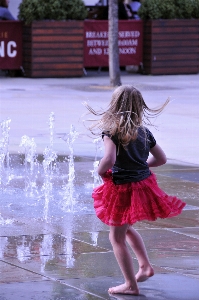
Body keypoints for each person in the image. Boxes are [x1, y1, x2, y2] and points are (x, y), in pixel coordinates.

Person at [85, 85, 186, 295]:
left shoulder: (112, 131)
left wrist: (100, 171)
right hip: (142, 185)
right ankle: (145, 267)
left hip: (122, 188)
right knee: (126, 228)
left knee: (116, 237)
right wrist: (141, 167)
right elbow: (161, 159)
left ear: (114, 105)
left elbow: (109, 159)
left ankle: (131, 285)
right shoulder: (144, 132)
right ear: (139, 107)